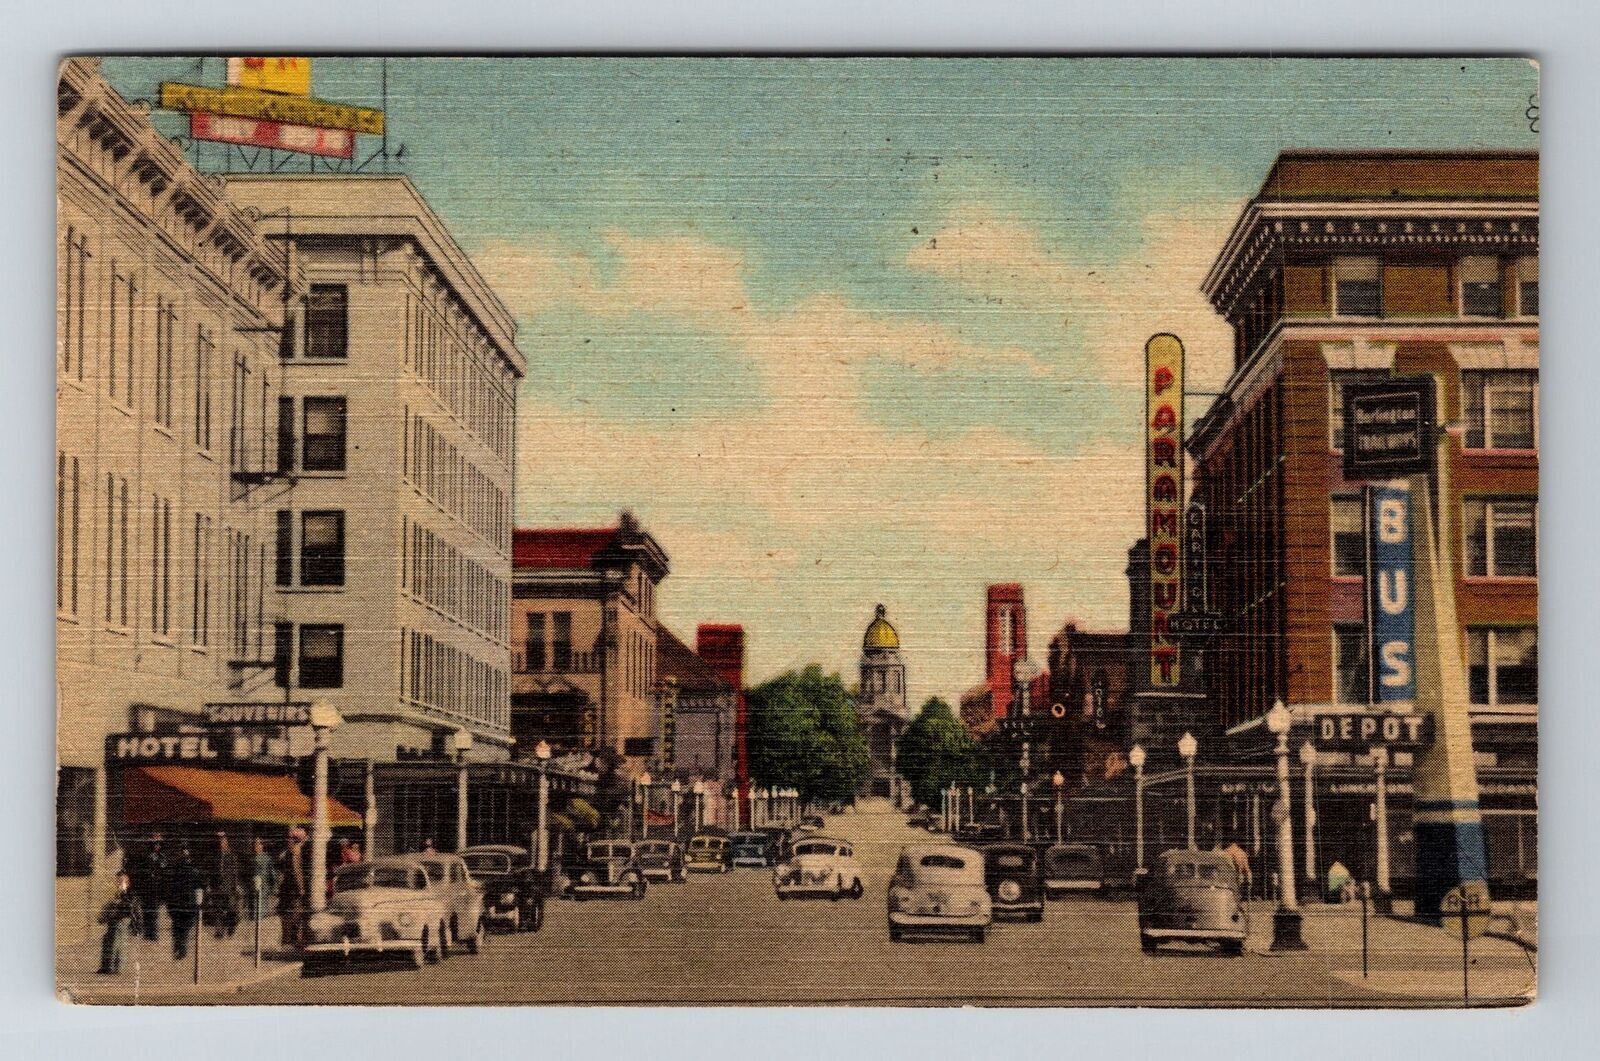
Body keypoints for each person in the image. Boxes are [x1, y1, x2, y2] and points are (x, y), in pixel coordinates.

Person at [96, 871, 141, 975]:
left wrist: (137, 926)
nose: (118, 883)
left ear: (127, 883)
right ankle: (107, 966)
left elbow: (133, 909)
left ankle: (113, 967)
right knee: (108, 942)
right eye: (117, 881)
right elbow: (108, 906)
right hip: (113, 920)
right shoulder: (116, 893)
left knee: (116, 943)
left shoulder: (130, 895)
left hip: (121, 921)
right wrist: (104, 916)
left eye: (121, 881)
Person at [166, 845, 203, 961]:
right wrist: (198, 905)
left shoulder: (175, 871)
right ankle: (181, 950)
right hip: (188, 905)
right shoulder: (194, 871)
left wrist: (170, 905)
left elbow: (170, 889)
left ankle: (178, 949)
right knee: (184, 929)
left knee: (178, 928)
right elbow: (199, 889)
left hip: (178, 905)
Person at [134, 832, 169, 942]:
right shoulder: (146, 858)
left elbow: (165, 874)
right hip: (147, 889)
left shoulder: (162, 858)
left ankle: (153, 935)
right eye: (154, 844)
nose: (156, 846)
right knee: (147, 912)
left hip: (157, 890)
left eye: (158, 844)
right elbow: (141, 873)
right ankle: (148, 935)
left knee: (154, 913)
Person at [278, 827, 309, 950]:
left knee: (289, 915)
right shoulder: (296, 851)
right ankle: (293, 941)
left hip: (287, 887)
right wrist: (301, 888)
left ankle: (287, 940)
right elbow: (297, 871)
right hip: (293, 889)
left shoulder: (286, 853)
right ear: (300, 840)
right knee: (296, 914)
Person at [210, 832, 242, 939]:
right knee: (218, 910)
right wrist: (210, 885)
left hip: (229, 887)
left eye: (223, 841)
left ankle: (231, 927)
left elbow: (234, 873)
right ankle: (219, 931)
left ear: (227, 842)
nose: (221, 843)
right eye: (219, 841)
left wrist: (235, 886)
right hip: (217, 887)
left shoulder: (232, 856)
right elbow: (211, 872)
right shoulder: (215, 857)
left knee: (231, 910)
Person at [250, 836, 279, 921]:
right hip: (253, 889)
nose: (255, 846)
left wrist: (274, 889)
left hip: (263, 889)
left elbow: (272, 874)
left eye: (258, 844)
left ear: (262, 845)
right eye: (254, 844)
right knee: (254, 915)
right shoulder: (252, 859)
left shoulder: (267, 858)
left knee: (261, 914)